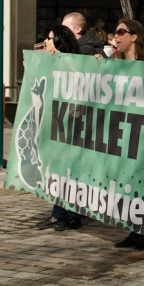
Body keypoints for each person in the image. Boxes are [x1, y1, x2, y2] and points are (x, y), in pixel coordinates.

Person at [110, 20, 144, 251]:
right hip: (123, 132)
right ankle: (134, 229)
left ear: (134, 37)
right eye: (115, 32)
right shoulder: (115, 65)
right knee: (127, 183)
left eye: (121, 32)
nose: (116, 36)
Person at [35, 25, 83, 232]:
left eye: (50, 38)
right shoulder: (54, 62)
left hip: (69, 125)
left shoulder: (70, 64)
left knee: (67, 170)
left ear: (60, 42)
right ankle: (59, 213)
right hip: (56, 124)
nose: (45, 41)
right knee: (58, 170)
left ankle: (71, 214)